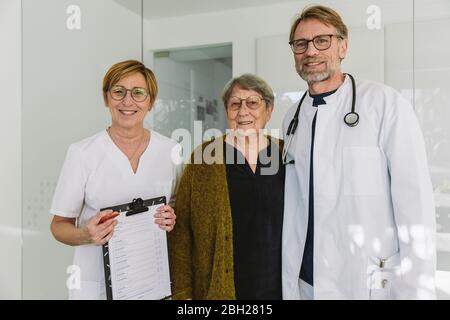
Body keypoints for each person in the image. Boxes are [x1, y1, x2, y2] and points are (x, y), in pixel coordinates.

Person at [282, 5, 436, 300]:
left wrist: (418, 291)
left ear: (343, 46)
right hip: (305, 281)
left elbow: (415, 205)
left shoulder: (385, 105)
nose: (310, 51)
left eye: (322, 40)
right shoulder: (292, 118)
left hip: (364, 278)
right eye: (301, 44)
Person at [50, 60, 181, 299]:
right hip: (96, 287)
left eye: (138, 93)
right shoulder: (82, 153)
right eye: (118, 91)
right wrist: (86, 235)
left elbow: (174, 211)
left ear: (150, 101)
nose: (127, 101)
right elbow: (58, 226)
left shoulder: (169, 150)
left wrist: (171, 218)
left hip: (151, 284)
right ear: (106, 98)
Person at [169, 74, 284, 299]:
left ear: (269, 110)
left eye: (252, 102)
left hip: (279, 289)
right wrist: (182, 294)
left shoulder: (287, 154)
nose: (243, 112)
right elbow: (181, 233)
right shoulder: (203, 159)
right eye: (234, 104)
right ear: (227, 112)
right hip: (223, 291)